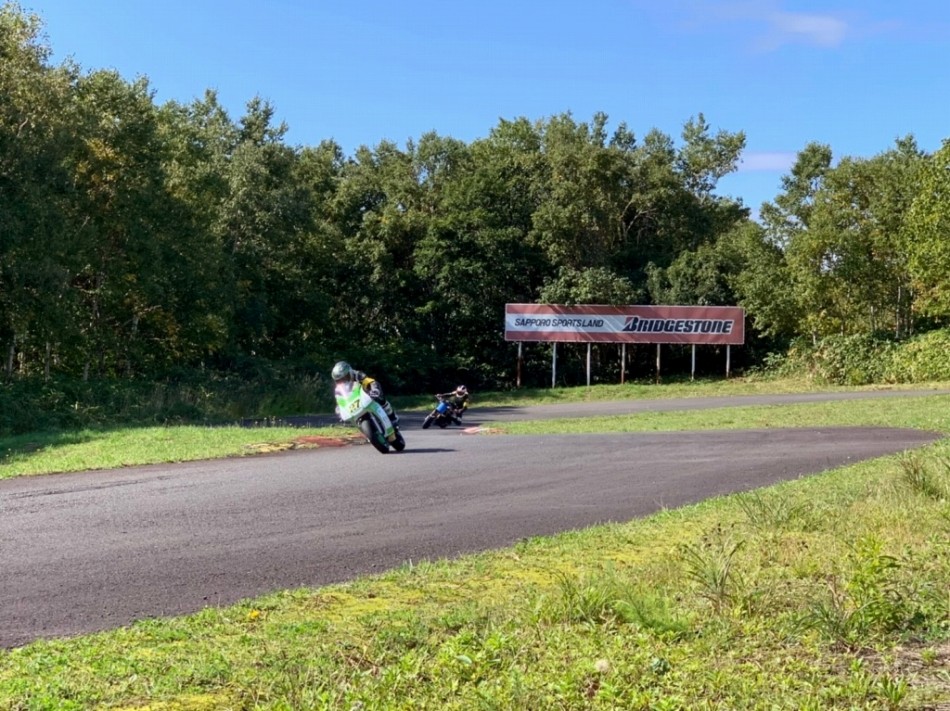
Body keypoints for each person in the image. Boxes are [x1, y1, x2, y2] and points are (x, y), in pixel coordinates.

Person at [331, 361, 399, 426]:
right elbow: (339, 399)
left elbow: (369, 381)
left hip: (367, 394)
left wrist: (374, 388)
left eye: (346, 377)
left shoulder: (357, 374)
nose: (344, 380)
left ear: (350, 372)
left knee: (380, 398)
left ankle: (392, 417)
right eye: (340, 380)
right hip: (354, 402)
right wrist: (339, 407)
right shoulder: (339, 388)